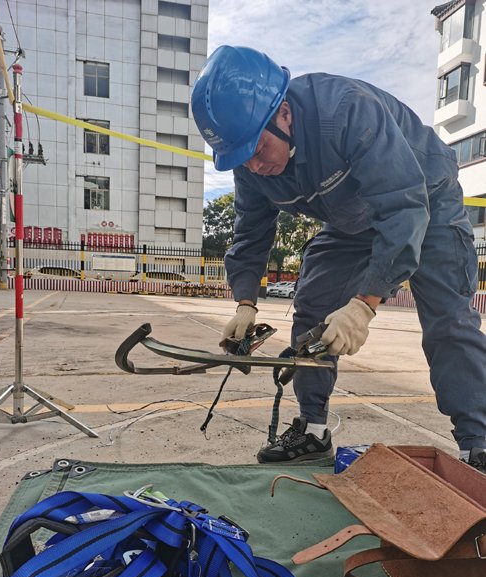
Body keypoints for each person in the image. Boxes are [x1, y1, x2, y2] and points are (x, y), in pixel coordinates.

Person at [191, 45, 486, 471]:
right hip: (351, 218)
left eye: (257, 149)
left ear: (283, 113)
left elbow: (402, 209)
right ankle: (312, 431)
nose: (253, 165)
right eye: (241, 157)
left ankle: (478, 444)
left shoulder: (347, 111)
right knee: (313, 307)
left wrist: (364, 306)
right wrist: (245, 303)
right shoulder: (249, 161)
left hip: (424, 198)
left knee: (448, 318)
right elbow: (251, 234)